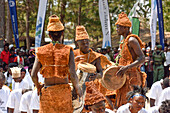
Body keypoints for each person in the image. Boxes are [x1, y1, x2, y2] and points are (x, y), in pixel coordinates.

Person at [31, 15, 82, 113]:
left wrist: (38, 87)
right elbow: (72, 73)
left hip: (47, 93)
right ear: (62, 34)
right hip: (64, 93)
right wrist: (77, 88)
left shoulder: (41, 51)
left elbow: (33, 74)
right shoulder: (68, 50)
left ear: (49, 35)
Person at [114, 12, 146, 108]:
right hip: (124, 77)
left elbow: (142, 58)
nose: (117, 29)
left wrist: (126, 67)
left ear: (126, 28)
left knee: (132, 104)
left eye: (119, 27)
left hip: (132, 77)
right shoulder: (124, 41)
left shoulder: (132, 40)